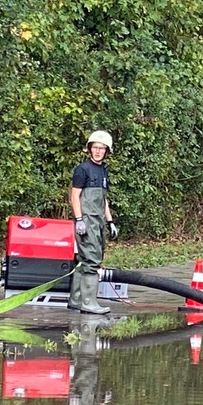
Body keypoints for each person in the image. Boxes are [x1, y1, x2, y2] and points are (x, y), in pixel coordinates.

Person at [69, 130, 118, 315]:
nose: (98, 151)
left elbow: (103, 199)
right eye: (95, 147)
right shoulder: (83, 169)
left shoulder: (103, 170)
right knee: (91, 260)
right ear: (90, 149)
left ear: (107, 151)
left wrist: (110, 221)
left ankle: (75, 300)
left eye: (102, 148)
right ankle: (89, 303)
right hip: (86, 221)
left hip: (98, 222)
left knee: (84, 261)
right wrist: (79, 219)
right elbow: (75, 196)